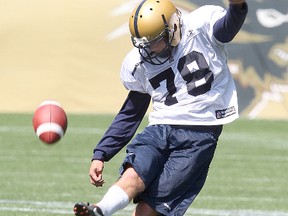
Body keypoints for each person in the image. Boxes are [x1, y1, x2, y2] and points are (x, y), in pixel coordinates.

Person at [74, 0, 248, 215]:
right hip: (159, 128)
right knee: (133, 173)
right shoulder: (138, 62)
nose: (148, 49)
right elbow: (131, 112)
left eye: (154, 41)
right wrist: (101, 153)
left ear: (173, 27)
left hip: (198, 133)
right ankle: (99, 210)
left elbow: (227, 29)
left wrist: (237, 6)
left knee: (148, 209)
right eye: (143, 43)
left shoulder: (200, 27)